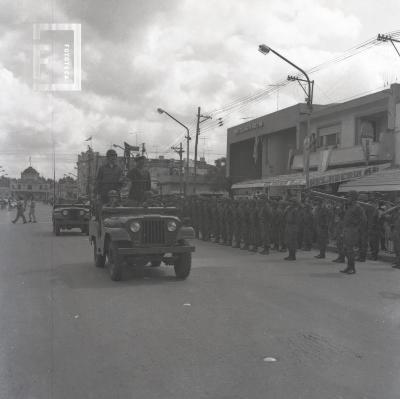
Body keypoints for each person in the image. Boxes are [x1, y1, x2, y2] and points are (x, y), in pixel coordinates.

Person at [340, 191, 367, 274]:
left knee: (350, 250)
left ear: (353, 198)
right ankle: (349, 266)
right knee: (346, 249)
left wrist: (356, 227)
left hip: (352, 231)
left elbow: (364, 219)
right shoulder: (350, 207)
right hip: (347, 230)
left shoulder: (357, 207)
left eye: (349, 197)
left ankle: (352, 268)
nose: (347, 198)